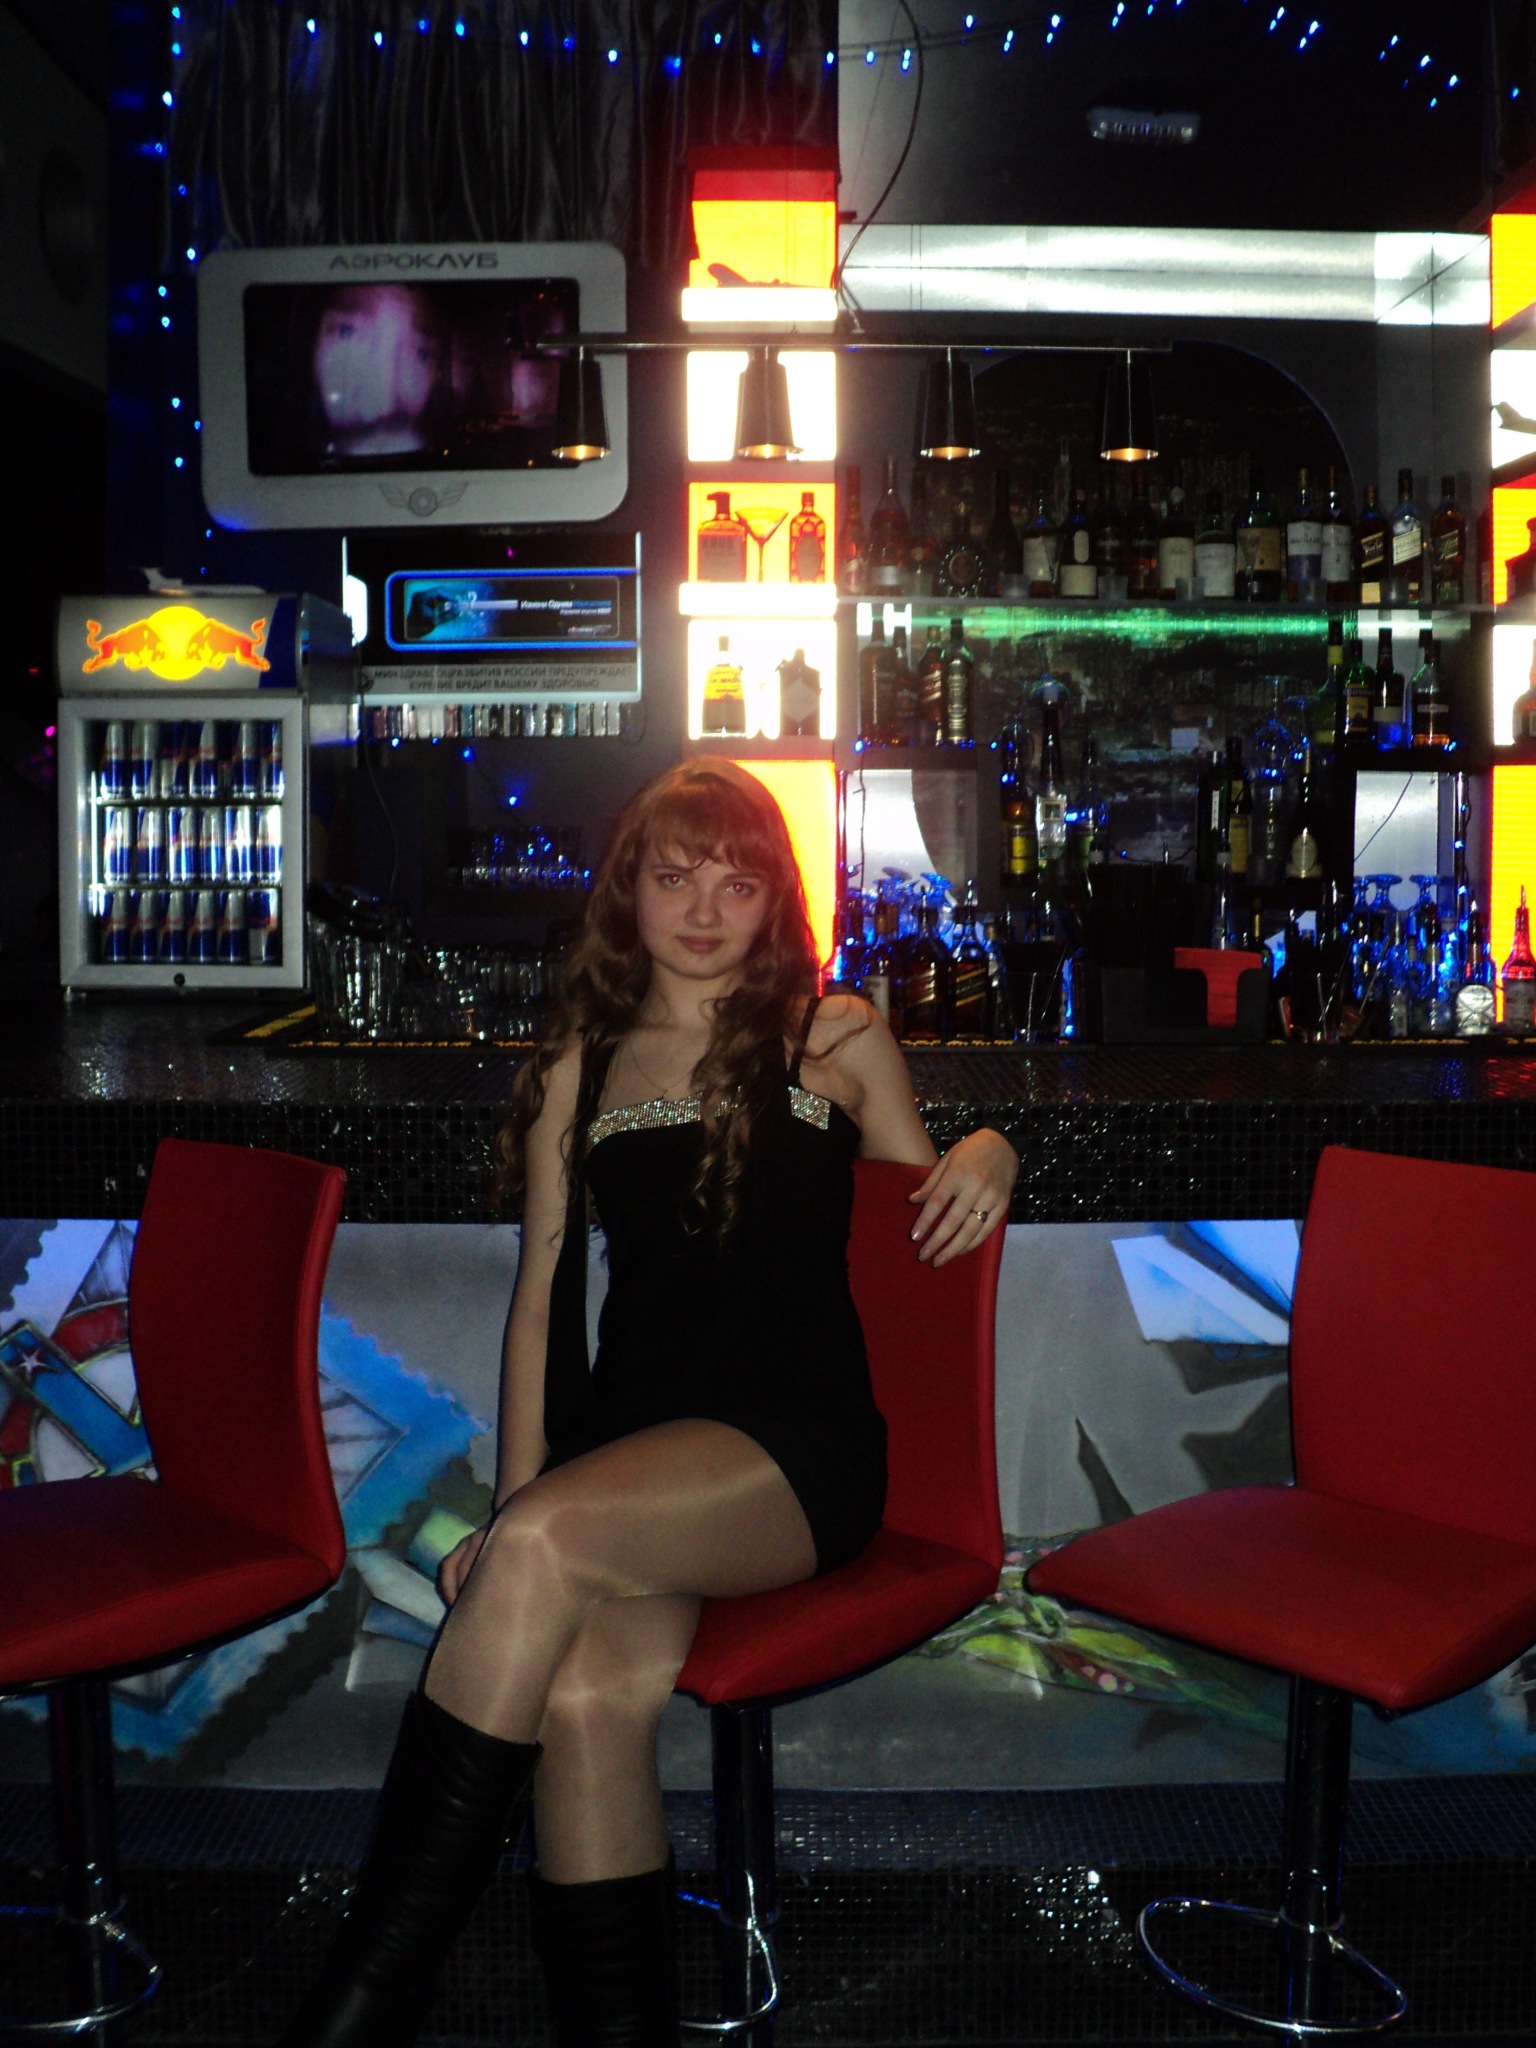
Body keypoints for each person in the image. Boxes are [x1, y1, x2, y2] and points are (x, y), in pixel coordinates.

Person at [279, 761, 1019, 2048]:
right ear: (629, 892)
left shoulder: (835, 1033)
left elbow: (922, 1234)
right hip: (629, 1459)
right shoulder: (585, 1060)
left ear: (776, 900)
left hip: (797, 1449)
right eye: (675, 879)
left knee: (548, 1549)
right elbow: (538, 1303)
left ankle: (363, 2001)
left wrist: (995, 1146)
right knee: (582, 1700)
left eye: (737, 884)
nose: (703, 910)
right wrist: (518, 1508)